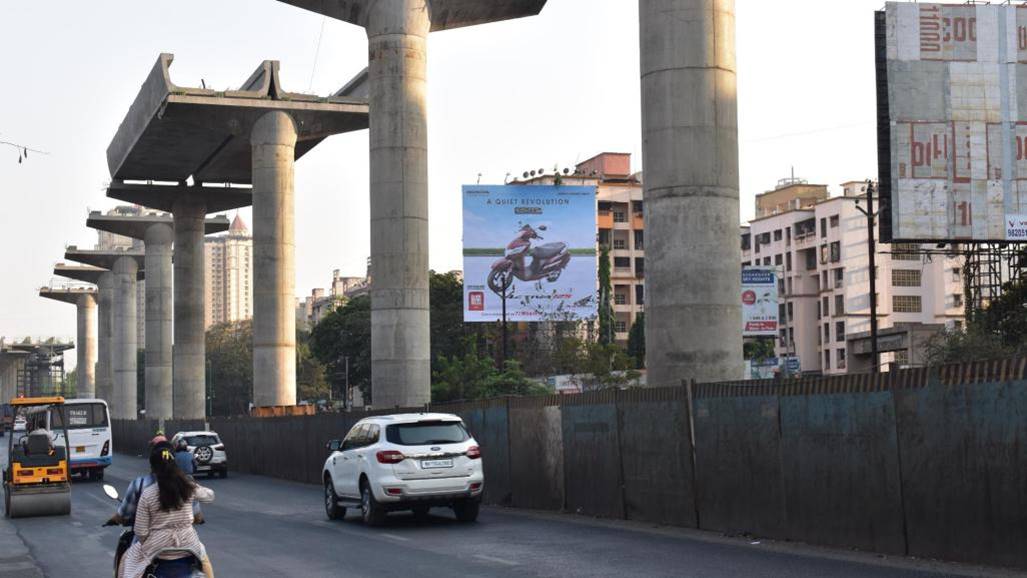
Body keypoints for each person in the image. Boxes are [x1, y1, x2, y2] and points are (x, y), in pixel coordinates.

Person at [118, 442, 215, 578]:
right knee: (205, 561)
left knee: (126, 561)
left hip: (157, 547)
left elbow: (140, 531)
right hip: (188, 542)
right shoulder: (187, 487)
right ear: (175, 465)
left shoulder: (148, 494)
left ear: (153, 468)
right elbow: (210, 496)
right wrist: (192, 486)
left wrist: (151, 541)